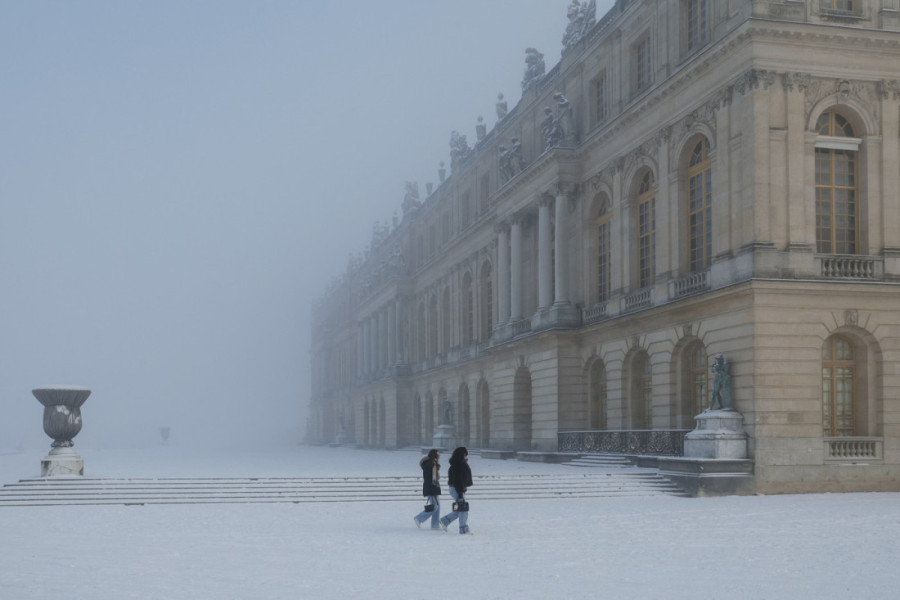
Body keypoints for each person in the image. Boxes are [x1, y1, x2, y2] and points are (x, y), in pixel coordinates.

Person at [440, 447, 473, 534]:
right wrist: (460, 493)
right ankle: (463, 529)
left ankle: (444, 521)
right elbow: (458, 480)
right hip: (457, 489)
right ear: (461, 455)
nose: (467, 456)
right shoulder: (458, 466)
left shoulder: (460, 464)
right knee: (463, 509)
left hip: (457, 489)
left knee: (459, 508)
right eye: (465, 454)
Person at [413, 449, 442, 530]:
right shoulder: (431, 464)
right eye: (438, 453)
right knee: (435, 506)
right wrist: (433, 488)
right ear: (434, 455)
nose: (439, 455)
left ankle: (435, 525)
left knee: (437, 506)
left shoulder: (431, 463)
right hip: (431, 487)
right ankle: (419, 518)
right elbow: (431, 478)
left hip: (432, 486)